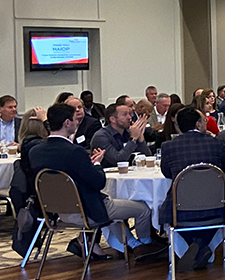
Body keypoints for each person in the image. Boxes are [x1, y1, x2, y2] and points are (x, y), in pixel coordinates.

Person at [31, 104, 164, 261]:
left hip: (57, 210)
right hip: (87, 210)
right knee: (143, 209)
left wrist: (88, 165)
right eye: (74, 120)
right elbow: (99, 182)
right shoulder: (74, 151)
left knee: (113, 208)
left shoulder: (35, 151)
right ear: (67, 123)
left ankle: (134, 245)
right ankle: (145, 246)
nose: (77, 123)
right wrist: (96, 165)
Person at [158, 106, 225, 270]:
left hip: (181, 210)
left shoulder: (168, 146)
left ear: (178, 126)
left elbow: (167, 173)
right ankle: (201, 246)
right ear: (199, 124)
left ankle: (197, 245)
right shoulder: (216, 143)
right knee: (217, 215)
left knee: (169, 213)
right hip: (218, 207)